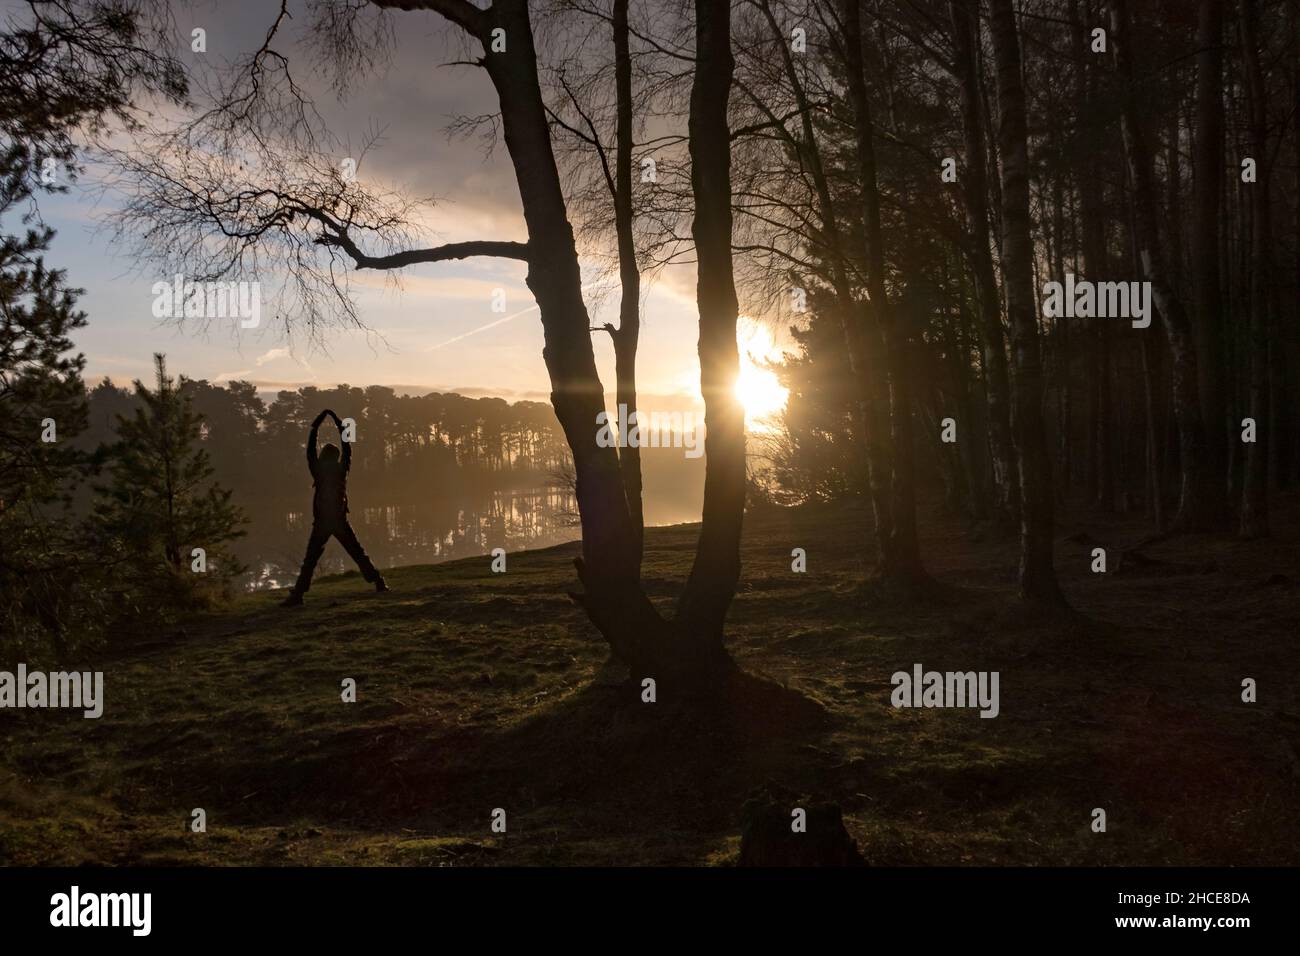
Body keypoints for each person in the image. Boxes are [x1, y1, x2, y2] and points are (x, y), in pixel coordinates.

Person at [282, 409, 388, 606]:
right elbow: (347, 448)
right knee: (358, 553)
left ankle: (297, 596)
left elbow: (310, 450)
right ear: (337, 457)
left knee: (310, 561)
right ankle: (379, 582)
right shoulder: (341, 471)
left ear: (322, 456)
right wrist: (341, 426)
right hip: (339, 520)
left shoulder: (318, 471)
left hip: (322, 523)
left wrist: (316, 426)